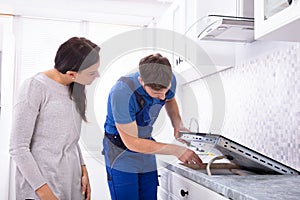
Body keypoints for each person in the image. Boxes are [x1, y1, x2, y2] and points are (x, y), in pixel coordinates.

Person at [9, 37, 101, 200]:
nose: (97, 76)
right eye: (92, 73)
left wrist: (83, 169)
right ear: (72, 74)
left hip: (71, 186)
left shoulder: (76, 88)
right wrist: (46, 195)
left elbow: (69, 138)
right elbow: (18, 148)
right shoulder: (35, 87)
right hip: (41, 190)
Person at [103, 53, 203, 200]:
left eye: (165, 90)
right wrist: (177, 150)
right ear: (141, 81)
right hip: (120, 151)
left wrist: (177, 124)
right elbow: (132, 142)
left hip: (146, 144)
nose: (162, 97)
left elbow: (170, 99)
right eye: (156, 93)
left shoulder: (169, 80)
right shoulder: (122, 92)